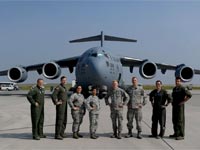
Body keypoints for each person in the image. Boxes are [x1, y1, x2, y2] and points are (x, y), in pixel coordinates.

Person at [51, 76, 68, 140]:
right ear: (61, 80)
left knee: (64, 120)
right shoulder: (59, 87)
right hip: (60, 106)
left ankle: (62, 133)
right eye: (63, 80)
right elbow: (53, 95)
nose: (64, 81)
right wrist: (56, 102)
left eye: (65, 80)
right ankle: (57, 134)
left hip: (65, 106)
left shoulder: (64, 88)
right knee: (60, 120)